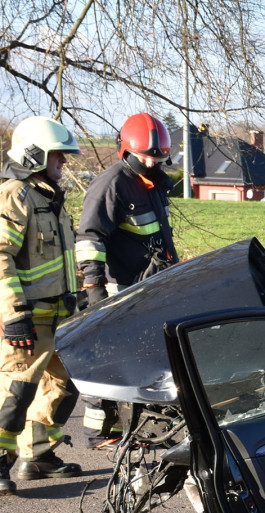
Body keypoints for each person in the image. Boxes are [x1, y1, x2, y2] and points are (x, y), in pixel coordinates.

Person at [75, 112, 178, 449]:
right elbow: (90, 238)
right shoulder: (111, 185)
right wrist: (94, 290)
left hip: (148, 288)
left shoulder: (152, 185)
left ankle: (136, 427)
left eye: (159, 156)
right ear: (129, 150)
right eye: (148, 156)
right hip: (117, 289)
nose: (153, 162)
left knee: (143, 360)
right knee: (111, 362)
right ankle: (100, 434)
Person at [0, 116, 83, 494]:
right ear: (35, 155)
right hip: (27, 321)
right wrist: (14, 315)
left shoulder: (50, 198)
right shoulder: (16, 195)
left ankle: (38, 455)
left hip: (59, 318)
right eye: (58, 157)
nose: (63, 164)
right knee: (15, 394)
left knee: (64, 387)